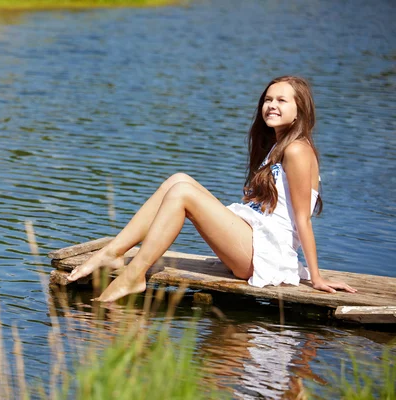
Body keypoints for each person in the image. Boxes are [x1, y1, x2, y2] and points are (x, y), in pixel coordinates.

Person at [67, 76, 357, 302]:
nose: (271, 105)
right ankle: (113, 252)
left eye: (282, 100)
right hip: (250, 240)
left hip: (265, 254)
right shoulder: (278, 148)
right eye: (268, 99)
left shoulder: (297, 150)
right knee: (178, 180)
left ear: (299, 112)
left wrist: (316, 278)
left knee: (183, 194)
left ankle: (135, 274)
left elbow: (303, 219)